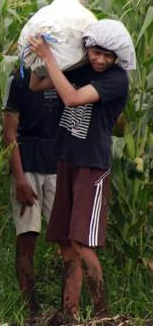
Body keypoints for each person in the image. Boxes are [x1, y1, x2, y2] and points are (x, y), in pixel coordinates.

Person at [27, 20, 134, 320]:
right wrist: (44, 57)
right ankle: (69, 314)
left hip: (92, 167)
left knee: (82, 244)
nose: (100, 60)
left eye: (107, 55)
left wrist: (49, 57)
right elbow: (36, 85)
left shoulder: (116, 80)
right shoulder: (78, 68)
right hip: (67, 161)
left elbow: (72, 99)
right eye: (96, 53)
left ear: (116, 58)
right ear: (88, 49)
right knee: (66, 245)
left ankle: (104, 315)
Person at [2, 67, 63, 317]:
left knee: (68, 241)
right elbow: (9, 133)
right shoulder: (18, 79)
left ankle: (68, 309)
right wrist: (19, 179)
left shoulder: (66, 75)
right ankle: (31, 310)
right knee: (27, 238)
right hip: (27, 166)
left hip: (59, 165)